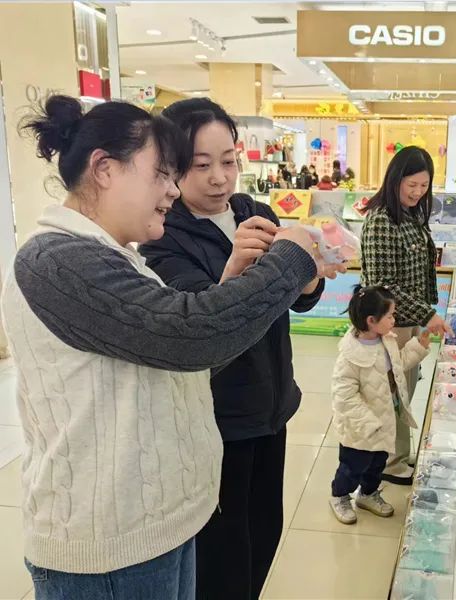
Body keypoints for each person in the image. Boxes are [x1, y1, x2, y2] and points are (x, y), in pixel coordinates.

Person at [1, 94, 329, 600]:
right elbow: (191, 335)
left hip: (153, 526)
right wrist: (291, 261)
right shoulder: (58, 261)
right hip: (110, 548)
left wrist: (276, 278)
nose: (172, 190)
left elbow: (184, 356)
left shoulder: (115, 256)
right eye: (163, 174)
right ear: (105, 169)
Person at [138, 98, 340, 600]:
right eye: (200, 165)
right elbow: (196, 327)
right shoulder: (162, 238)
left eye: (228, 161)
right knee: (223, 557)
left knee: (264, 534)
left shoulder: (257, 213)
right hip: (216, 421)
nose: (219, 178)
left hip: (272, 408)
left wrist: (310, 276)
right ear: (172, 167)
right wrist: (233, 269)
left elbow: (299, 302)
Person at [361, 146, 453, 485]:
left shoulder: (410, 214)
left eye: (424, 186)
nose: (417, 192)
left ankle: (397, 453)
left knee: (403, 391)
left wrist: (424, 315)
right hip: (390, 325)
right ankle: (390, 462)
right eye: (411, 185)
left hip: (409, 321)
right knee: (393, 394)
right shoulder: (381, 220)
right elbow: (383, 286)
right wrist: (427, 314)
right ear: (395, 179)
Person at [329, 285, 430, 524]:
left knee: (377, 465)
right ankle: (339, 496)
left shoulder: (387, 340)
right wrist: (369, 423)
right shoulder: (349, 356)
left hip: (384, 420)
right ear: (371, 321)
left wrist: (419, 345)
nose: (394, 320)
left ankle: (368, 494)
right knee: (352, 467)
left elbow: (398, 364)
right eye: (390, 316)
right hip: (360, 429)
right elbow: (344, 397)